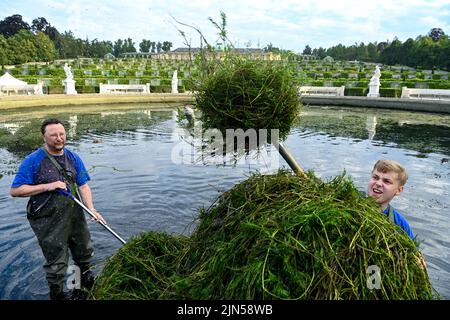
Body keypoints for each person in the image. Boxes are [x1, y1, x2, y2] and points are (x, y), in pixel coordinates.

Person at [10, 118, 106, 300]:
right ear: (43, 136)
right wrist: (48, 186)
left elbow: (83, 185)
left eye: (61, 134)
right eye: (53, 135)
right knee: (57, 263)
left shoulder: (73, 157)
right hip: (48, 219)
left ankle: (80, 288)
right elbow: (15, 190)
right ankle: (58, 295)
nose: (59, 138)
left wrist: (91, 209)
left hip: (74, 215)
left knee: (83, 252)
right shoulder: (33, 160)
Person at [367, 159, 413, 239]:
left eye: (386, 181)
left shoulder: (401, 226)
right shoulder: (345, 203)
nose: (378, 183)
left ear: (399, 190)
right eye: (375, 177)